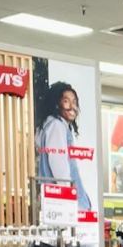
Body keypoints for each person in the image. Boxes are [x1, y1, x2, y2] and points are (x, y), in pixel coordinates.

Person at [36, 82, 91, 210]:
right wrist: (69, 197)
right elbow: (59, 165)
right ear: (56, 104)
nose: (72, 106)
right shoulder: (57, 126)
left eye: (74, 102)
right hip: (63, 204)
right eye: (66, 101)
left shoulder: (51, 126)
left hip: (56, 201)